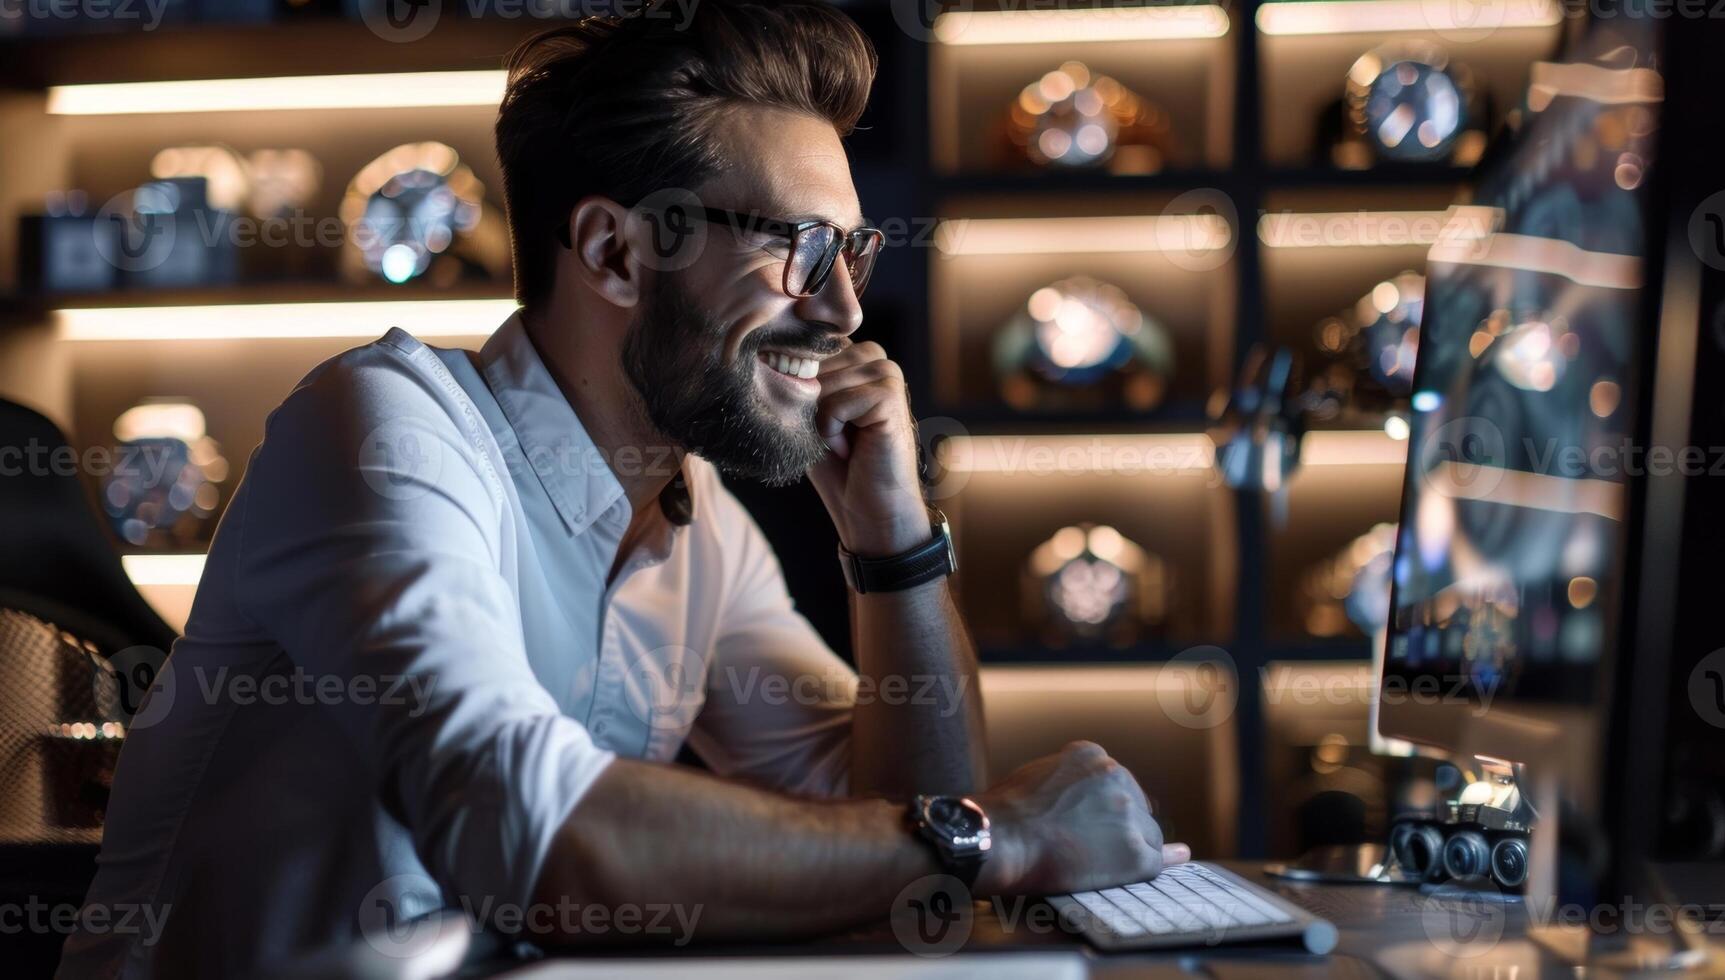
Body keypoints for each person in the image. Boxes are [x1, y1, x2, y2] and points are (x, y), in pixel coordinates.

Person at [61, 3, 1184, 975]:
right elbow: (525, 831)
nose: (843, 308)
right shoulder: (384, 427)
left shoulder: (701, 526)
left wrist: (893, 544)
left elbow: (890, 824)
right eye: (797, 245)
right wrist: (1001, 836)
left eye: (853, 250)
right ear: (613, 252)